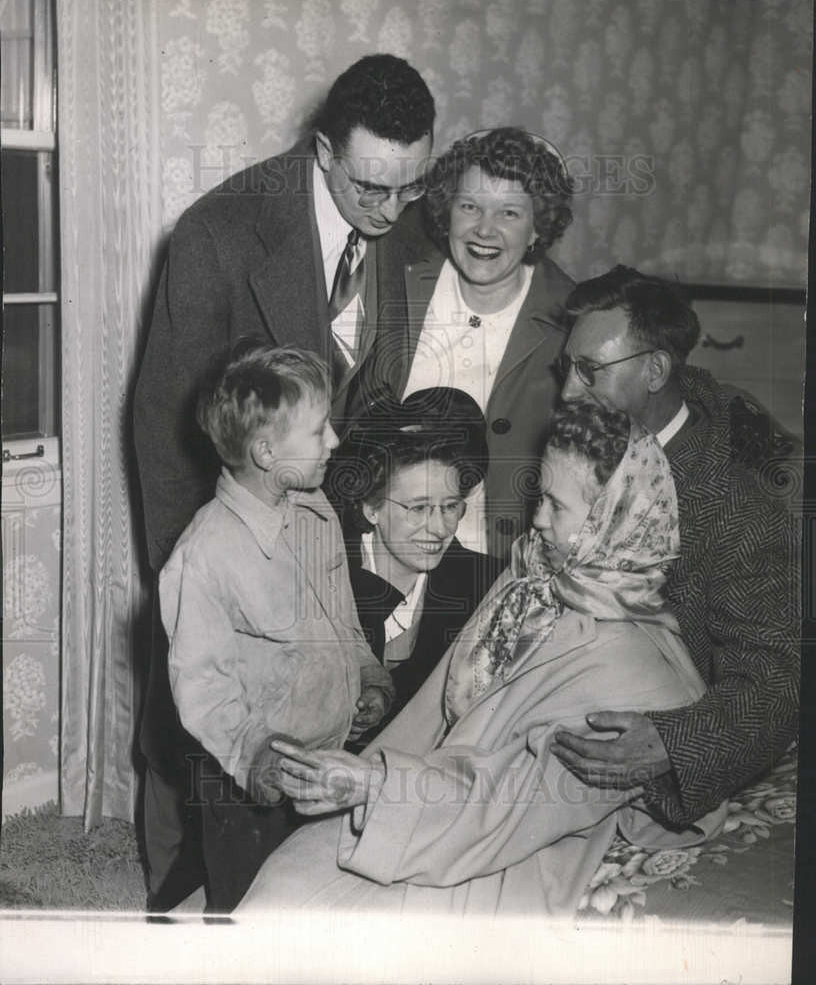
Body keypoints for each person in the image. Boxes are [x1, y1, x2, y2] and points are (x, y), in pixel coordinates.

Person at [132, 53, 435, 909]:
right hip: (229, 529)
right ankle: (164, 907)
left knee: (312, 760)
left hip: (324, 532)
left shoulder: (403, 219)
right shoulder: (218, 235)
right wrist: (193, 586)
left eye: (410, 188)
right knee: (194, 738)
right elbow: (163, 427)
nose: (393, 211)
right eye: (372, 188)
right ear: (324, 151)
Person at [235, 402, 726, 918]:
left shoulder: (633, 672)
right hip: (423, 796)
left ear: (614, 519)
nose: (536, 518)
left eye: (556, 506)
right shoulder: (538, 577)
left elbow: (508, 804)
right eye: (540, 496)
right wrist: (363, 774)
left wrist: (374, 784)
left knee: (290, 916)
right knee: (276, 885)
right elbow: (432, 715)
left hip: (493, 850)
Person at [549, 265, 800, 829]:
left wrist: (672, 742)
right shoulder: (584, 451)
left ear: (656, 370)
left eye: (589, 371)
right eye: (566, 368)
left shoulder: (738, 506)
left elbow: (780, 679)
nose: (567, 392)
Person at [159, 345, 394, 913]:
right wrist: (257, 755)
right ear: (266, 452)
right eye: (319, 432)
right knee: (248, 911)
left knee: (318, 897)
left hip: (329, 756)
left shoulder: (316, 512)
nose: (335, 440)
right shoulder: (204, 556)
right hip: (247, 782)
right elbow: (204, 689)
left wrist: (369, 674)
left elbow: (343, 622)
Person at [365, 126, 575, 562]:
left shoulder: (570, 319)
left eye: (509, 214)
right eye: (470, 206)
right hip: (386, 554)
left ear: (538, 228)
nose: (485, 230)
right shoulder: (395, 285)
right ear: (447, 213)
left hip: (503, 565)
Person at [337, 387, 502, 725]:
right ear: (371, 507)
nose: (439, 528)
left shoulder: (489, 588)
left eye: (450, 507)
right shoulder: (321, 572)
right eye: (419, 508)